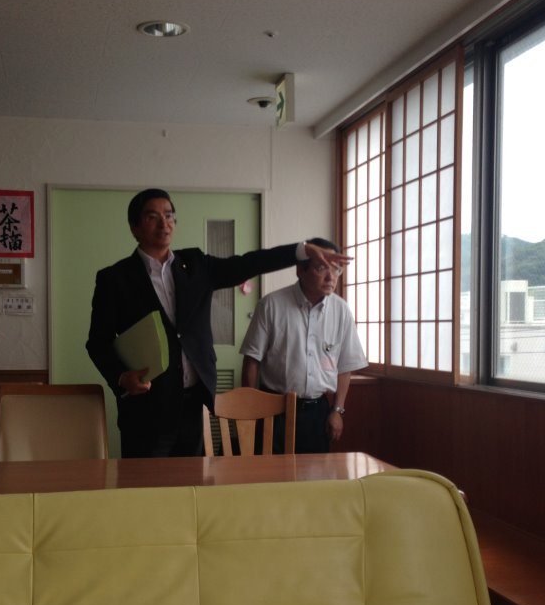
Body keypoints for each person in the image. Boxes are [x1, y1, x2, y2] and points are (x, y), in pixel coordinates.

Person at [86, 188, 349, 458]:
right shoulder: (114, 279)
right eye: (153, 217)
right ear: (134, 227)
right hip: (146, 409)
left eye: (169, 215)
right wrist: (121, 377)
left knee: (193, 483)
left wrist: (299, 250)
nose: (164, 223)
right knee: (144, 483)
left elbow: (248, 264)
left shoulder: (195, 264)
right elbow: (97, 343)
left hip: (194, 406)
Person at [240, 237, 368, 453]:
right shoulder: (271, 305)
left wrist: (337, 410)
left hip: (317, 413)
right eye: (322, 268)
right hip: (274, 410)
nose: (331, 277)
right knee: (270, 471)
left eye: (336, 269)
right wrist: (251, 409)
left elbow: (345, 366)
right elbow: (252, 361)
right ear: (300, 270)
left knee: (315, 472)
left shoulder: (341, 311)